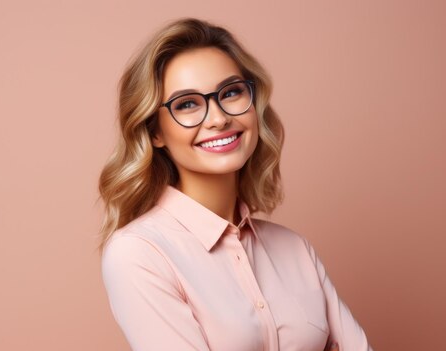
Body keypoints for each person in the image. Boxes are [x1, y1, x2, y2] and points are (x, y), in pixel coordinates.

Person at [97, 17, 373, 351]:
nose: (218, 118)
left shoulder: (295, 250)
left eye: (230, 92)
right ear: (155, 131)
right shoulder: (139, 253)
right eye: (186, 104)